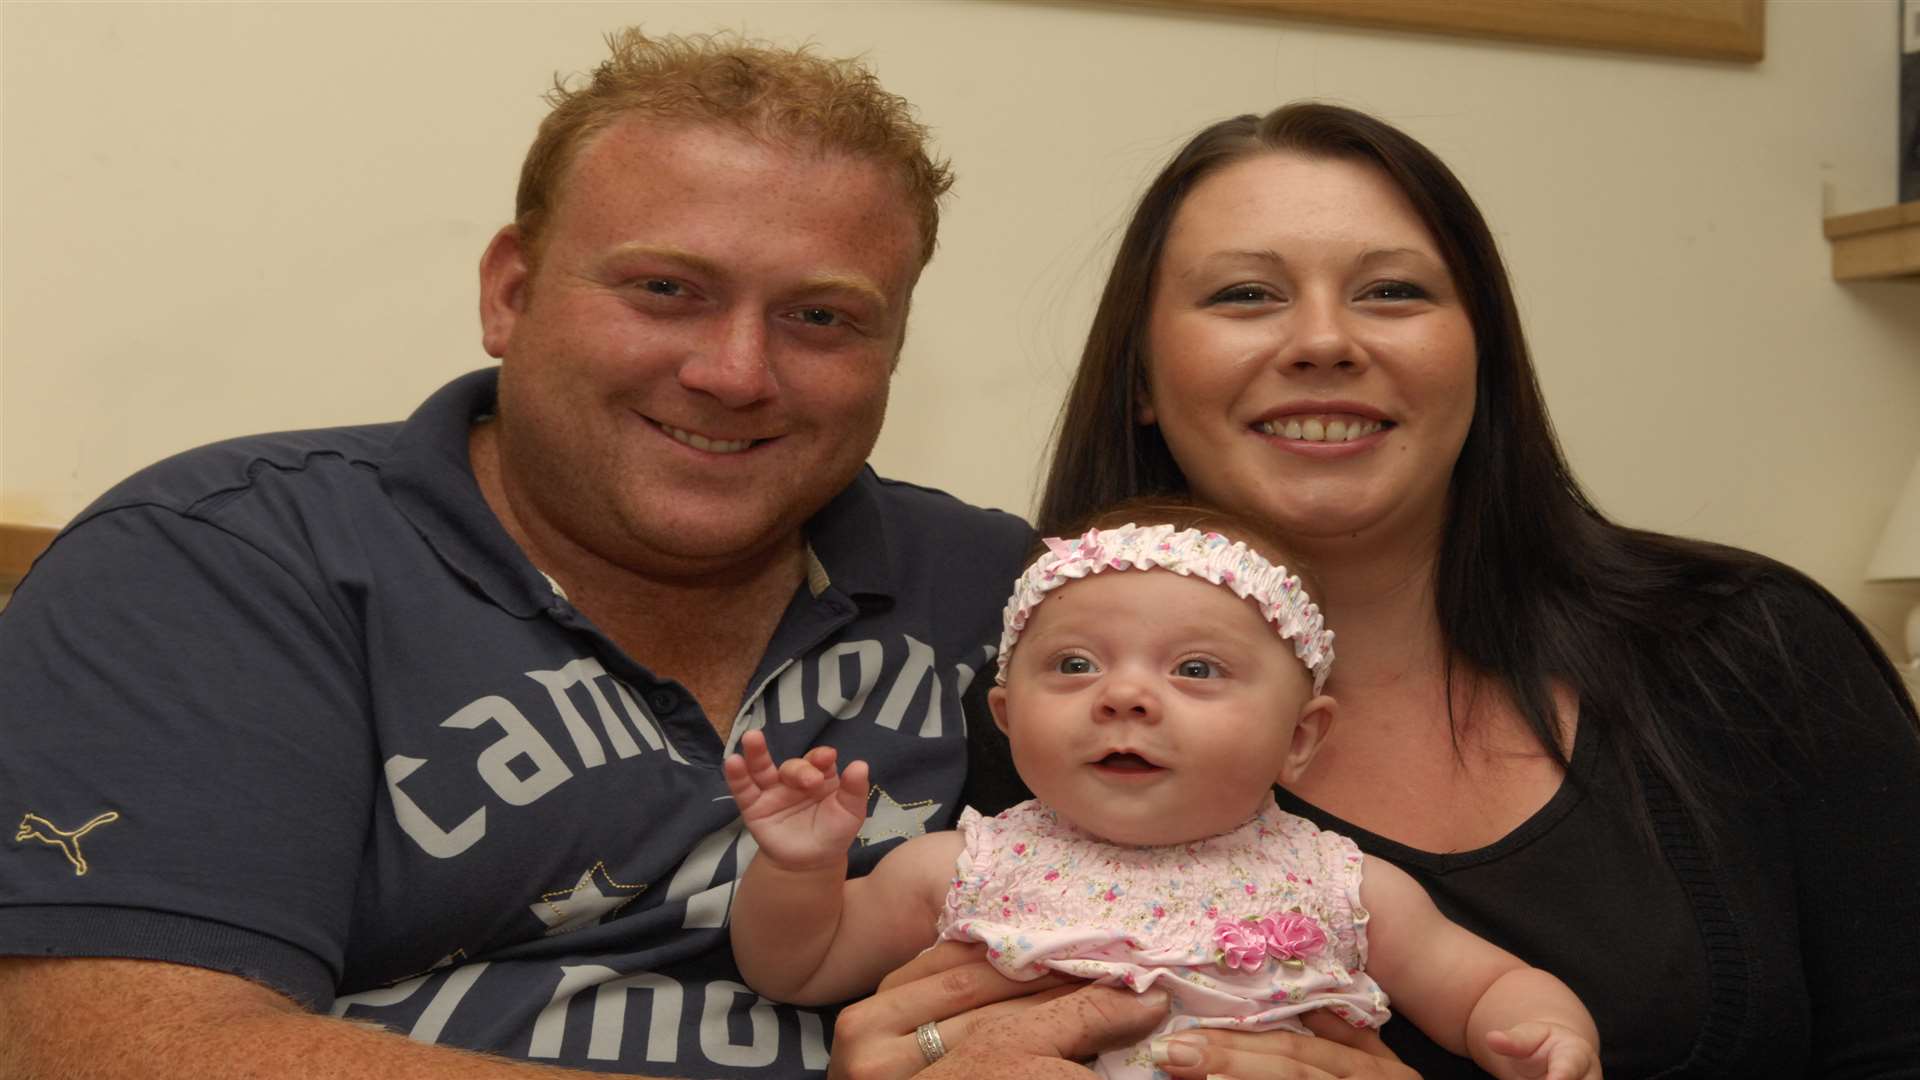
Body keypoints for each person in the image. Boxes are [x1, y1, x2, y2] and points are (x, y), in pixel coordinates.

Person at [0, 28, 1163, 1079]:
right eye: (666, 291)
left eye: (822, 318)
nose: (735, 372)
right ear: (511, 293)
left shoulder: (1004, 591)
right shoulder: (226, 563)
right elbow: (120, 1049)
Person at [1028, 101, 1920, 1077]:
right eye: (1246, 295)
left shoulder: (1748, 651)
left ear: (1483, 359)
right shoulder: (1042, 725)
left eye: (1393, 292)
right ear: (1143, 378)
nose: (1324, 342)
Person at [725, 502, 1602, 1080]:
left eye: (1195, 668)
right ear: (1004, 712)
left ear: (1301, 738)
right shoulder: (961, 863)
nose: (1124, 695)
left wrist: (1543, 1031)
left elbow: (1483, 984)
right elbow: (795, 966)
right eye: (1074, 664)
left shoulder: (1345, 886)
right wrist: (799, 871)